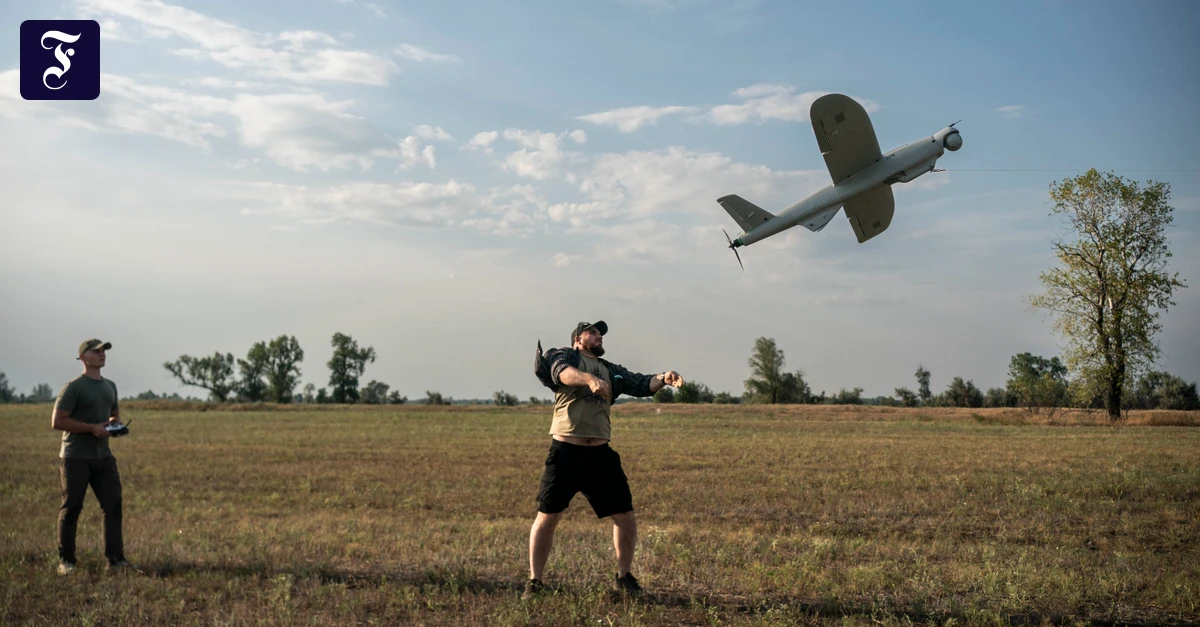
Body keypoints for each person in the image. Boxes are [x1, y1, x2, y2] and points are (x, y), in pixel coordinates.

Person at [526, 320, 684, 599]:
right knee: (547, 517)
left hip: (600, 454)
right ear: (577, 339)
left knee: (625, 516)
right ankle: (535, 582)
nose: (599, 336)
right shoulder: (566, 356)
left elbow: (640, 382)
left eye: (601, 334)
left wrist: (664, 377)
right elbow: (560, 372)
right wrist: (588, 379)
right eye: (593, 332)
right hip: (565, 452)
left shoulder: (610, 370)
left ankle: (624, 578)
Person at [51, 339, 132, 574]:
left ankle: (115, 559)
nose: (101, 354)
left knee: (113, 504)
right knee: (72, 507)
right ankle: (66, 561)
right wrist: (92, 428)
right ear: (83, 358)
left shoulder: (110, 386)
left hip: (103, 455)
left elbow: (114, 414)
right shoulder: (73, 387)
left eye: (103, 351)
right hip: (75, 456)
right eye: (96, 351)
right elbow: (58, 421)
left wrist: (115, 426)